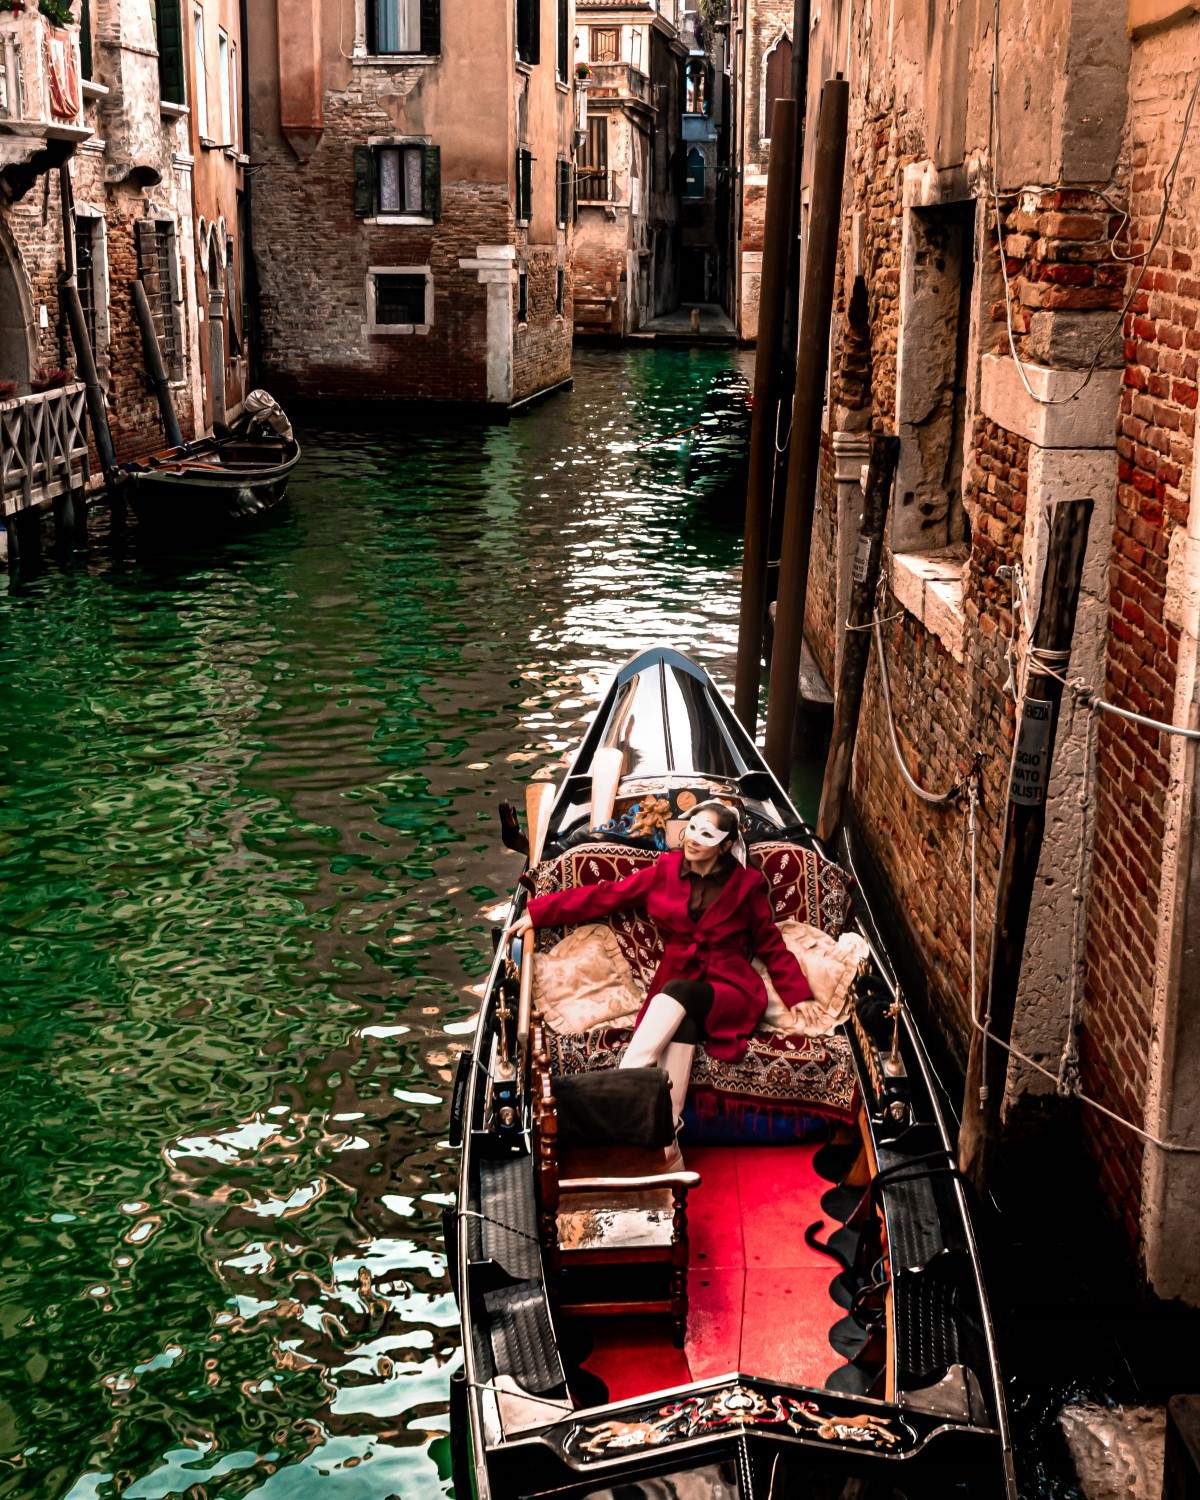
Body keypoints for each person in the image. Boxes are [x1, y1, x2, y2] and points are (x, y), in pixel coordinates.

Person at [506, 800, 813, 1127]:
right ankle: (668, 1136)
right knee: (683, 1023)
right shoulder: (665, 871)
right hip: (677, 986)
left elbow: (770, 941)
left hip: (730, 991)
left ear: (725, 845)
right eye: (691, 827)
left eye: (706, 834)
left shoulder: (747, 884)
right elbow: (606, 895)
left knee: (679, 992)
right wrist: (538, 913)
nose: (693, 838)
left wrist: (798, 994)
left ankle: (620, 1088)